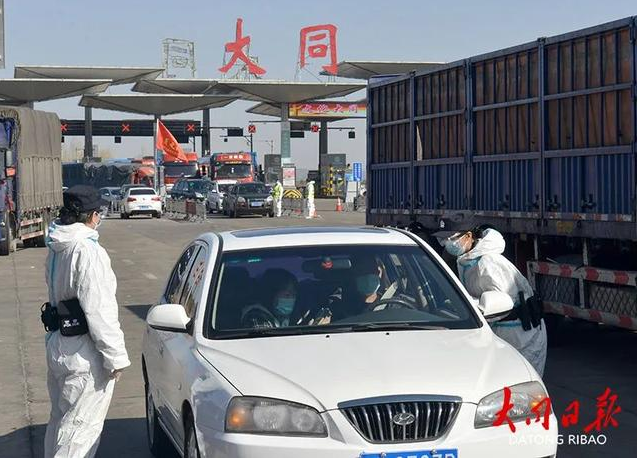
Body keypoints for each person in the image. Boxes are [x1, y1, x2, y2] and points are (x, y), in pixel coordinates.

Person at [44, 185, 130, 458]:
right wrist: (115, 357)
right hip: (84, 354)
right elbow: (99, 309)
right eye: (98, 213)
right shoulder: (87, 251)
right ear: (92, 216)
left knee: (61, 424)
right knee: (79, 433)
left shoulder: (58, 246)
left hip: (60, 344)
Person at [444, 226, 547, 376]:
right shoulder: (468, 260)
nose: (447, 242)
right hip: (501, 330)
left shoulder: (488, 262)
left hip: (521, 333)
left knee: (522, 381)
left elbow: (502, 301)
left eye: (452, 238)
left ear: (468, 236)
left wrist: (476, 307)